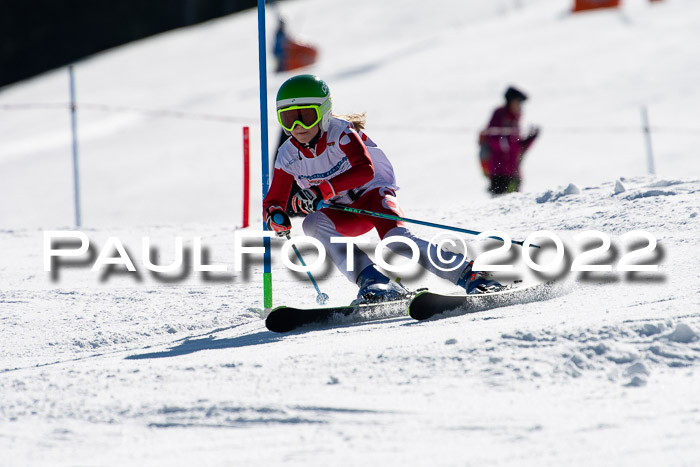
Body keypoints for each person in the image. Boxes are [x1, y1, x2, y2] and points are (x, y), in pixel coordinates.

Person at [263, 74, 502, 302]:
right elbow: (274, 200)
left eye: (305, 116)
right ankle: (374, 280)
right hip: (343, 213)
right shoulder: (287, 155)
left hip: (372, 197)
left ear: (324, 113)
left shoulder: (342, 132)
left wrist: (320, 191)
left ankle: (469, 274)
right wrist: (275, 216)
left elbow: (364, 169)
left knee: (397, 241)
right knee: (311, 223)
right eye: (287, 118)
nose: (297, 126)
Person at [480, 86, 539, 194]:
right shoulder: (499, 115)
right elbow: (495, 140)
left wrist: (530, 138)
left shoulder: (515, 118)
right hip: (499, 172)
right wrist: (510, 141)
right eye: (518, 102)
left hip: (513, 171)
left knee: (513, 206)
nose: (520, 106)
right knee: (499, 206)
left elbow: (519, 148)